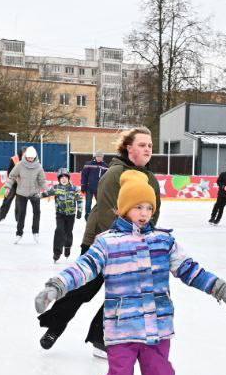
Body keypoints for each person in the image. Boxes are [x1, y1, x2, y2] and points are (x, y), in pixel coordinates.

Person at [33, 171, 226, 375]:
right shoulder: (107, 243)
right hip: (122, 330)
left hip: (158, 329)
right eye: (138, 207)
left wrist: (220, 289)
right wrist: (56, 286)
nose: (144, 213)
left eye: (149, 208)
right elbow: (82, 268)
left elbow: (190, 270)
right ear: (124, 209)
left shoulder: (163, 242)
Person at [36, 127, 163, 357]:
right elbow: (109, 211)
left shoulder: (150, 178)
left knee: (122, 295)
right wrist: (120, 242)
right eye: (142, 145)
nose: (147, 149)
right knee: (82, 290)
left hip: (132, 246)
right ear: (128, 147)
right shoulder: (115, 174)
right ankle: (55, 326)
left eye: (150, 146)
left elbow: (153, 213)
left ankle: (99, 337)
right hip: (100, 241)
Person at [7, 146, 48, 243]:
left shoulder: (38, 166)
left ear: (35, 157)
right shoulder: (20, 165)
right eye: (28, 158)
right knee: (21, 213)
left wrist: (47, 190)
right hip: (21, 193)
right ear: (25, 156)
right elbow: (12, 176)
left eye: (32, 158)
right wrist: (8, 187)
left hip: (34, 193)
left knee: (37, 212)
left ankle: (35, 232)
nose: (30, 159)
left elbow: (42, 181)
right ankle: (19, 233)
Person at [45, 168, 83, 261]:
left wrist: (79, 211)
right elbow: (45, 193)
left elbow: (80, 200)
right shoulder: (56, 188)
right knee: (59, 231)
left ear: (68, 178)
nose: (63, 179)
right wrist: (35, 196)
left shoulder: (74, 188)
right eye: (61, 177)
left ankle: (67, 247)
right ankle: (57, 252)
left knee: (68, 232)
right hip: (60, 214)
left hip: (71, 215)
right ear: (59, 179)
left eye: (65, 177)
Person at [0, 149, 21, 223]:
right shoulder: (14, 159)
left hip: (22, 185)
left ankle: (18, 219)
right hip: (13, 183)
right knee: (7, 200)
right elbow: (9, 172)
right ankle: (2, 216)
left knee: (19, 203)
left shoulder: (29, 160)